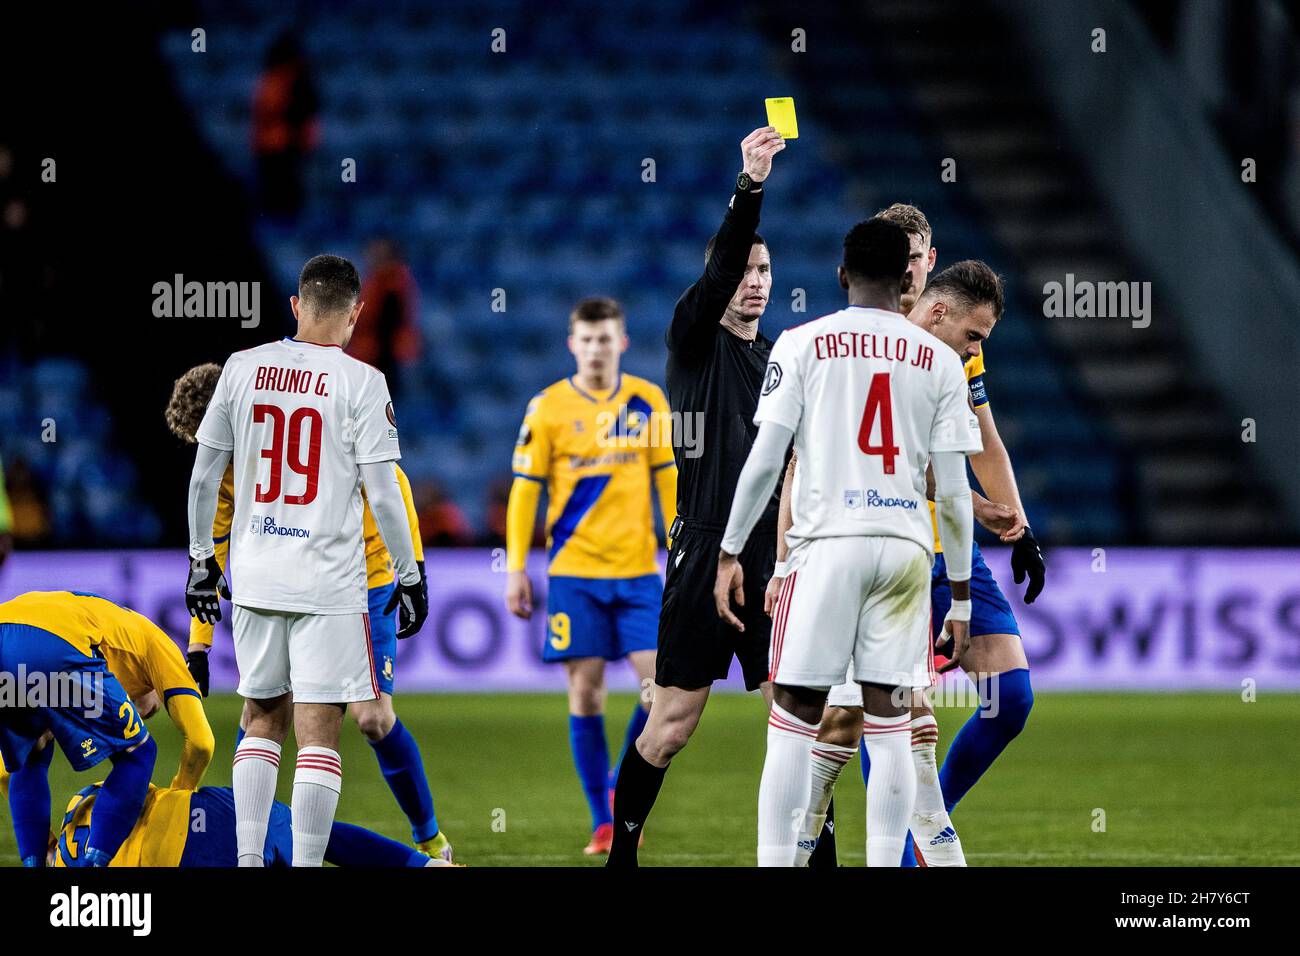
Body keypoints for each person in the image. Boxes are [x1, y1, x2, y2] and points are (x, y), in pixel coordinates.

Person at [713, 218, 983, 866]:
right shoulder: (942, 362)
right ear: (907, 279)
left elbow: (765, 461)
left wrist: (729, 550)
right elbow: (951, 491)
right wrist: (965, 599)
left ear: (842, 276)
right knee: (892, 733)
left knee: (792, 725)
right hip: (905, 552)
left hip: (826, 548)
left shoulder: (802, 345)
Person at [784, 215, 1043, 866]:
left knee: (1007, 697)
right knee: (886, 716)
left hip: (948, 543)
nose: (916, 266)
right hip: (879, 544)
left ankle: (915, 833)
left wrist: (1017, 521)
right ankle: (898, 848)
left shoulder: (956, 346)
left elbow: (979, 441)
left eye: (925, 254)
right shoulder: (856, 338)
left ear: (932, 259)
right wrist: (786, 552)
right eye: (908, 256)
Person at [184, 254, 428, 867]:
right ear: (356, 313)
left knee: (261, 718)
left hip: (259, 577)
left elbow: (204, 475)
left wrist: (199, 564)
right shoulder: (363, 382)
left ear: (296, 306)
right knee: (319, 733)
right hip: (328, 583)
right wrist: (410, 573)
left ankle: (246, 862)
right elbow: (384, 490)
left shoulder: (242, 368)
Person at [606, 126, 786, 867]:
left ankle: (817, 852)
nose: (754, 280)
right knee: (673, 722)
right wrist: (750, 186)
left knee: (805, 716)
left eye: (765, 269)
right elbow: (717, 276)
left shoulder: (780, 358)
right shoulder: (694, 340)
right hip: (706, 544)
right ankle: (623, 848)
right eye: (743, 269)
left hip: (777, 553)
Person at [506, 296, 676, 855]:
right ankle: (604, 821)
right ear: (572, 344)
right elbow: (524, 493)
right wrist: (516, 569)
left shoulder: (647, 402)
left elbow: (669, 485)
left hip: (637, 574)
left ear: (622, 342)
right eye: (587, 339)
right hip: (574, 573)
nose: (597, 348)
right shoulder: (548, 407)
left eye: (607, 339)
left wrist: (679, 551)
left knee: (659, 694)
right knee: (586, 694)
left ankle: (617, 788)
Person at [0, 590, 160, 867]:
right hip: (53, 646)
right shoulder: (157, 646)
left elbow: (6, 773)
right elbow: (200, 740)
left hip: (7, 638)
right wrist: (184, 793)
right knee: (138, 753)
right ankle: (92, 865)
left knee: (30, 755)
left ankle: (35, 862)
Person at [44, 782, 456, 868]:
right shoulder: (80, 798)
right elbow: (135, 787)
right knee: (315, 835)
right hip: (215, 808)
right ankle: (427, 866)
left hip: (195, 857)